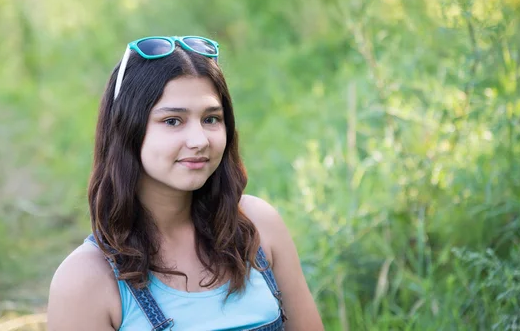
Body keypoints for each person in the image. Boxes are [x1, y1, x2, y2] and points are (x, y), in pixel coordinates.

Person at [47, 36, 323, 330]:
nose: (199, 140)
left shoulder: (257, 227)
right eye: (173, 121)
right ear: (127, 129)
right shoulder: (84, 279)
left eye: (211, 119)